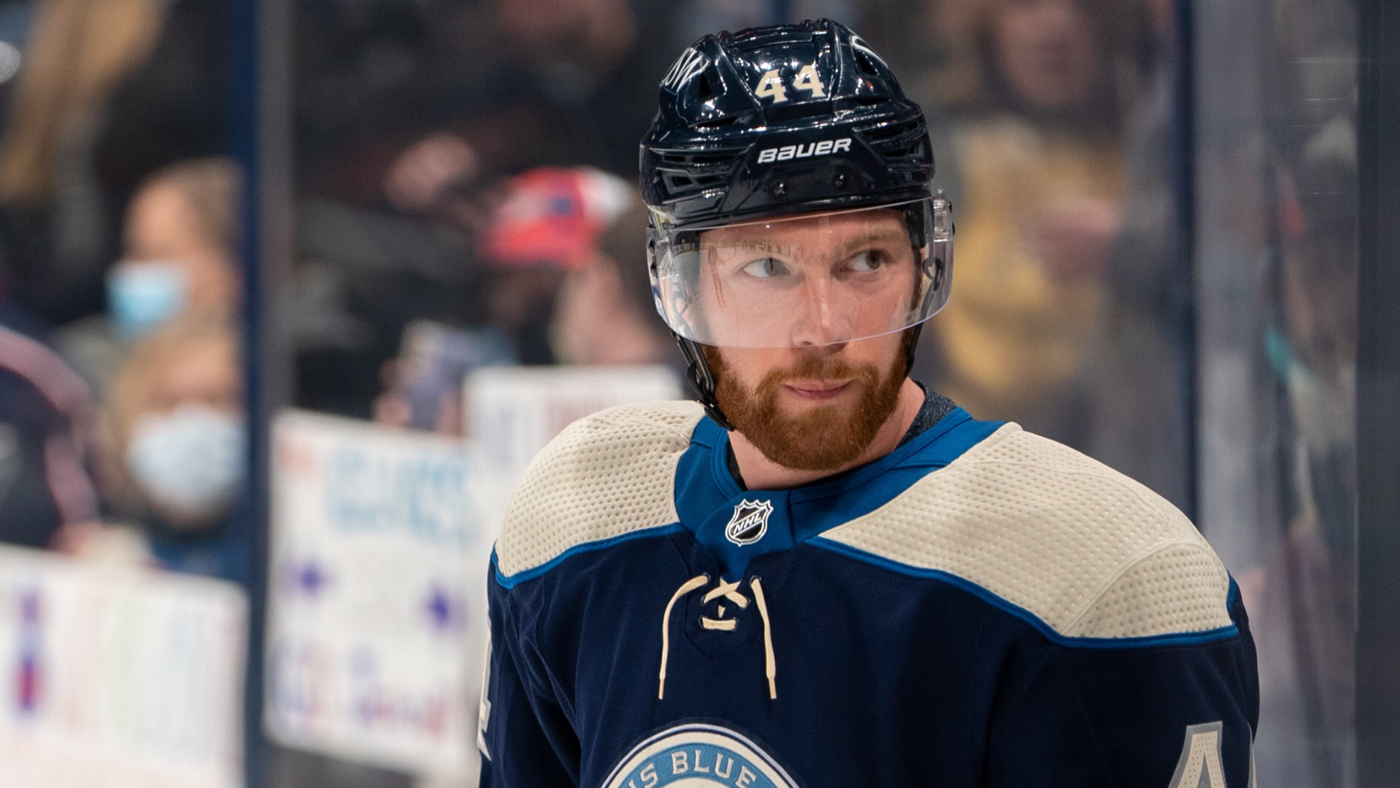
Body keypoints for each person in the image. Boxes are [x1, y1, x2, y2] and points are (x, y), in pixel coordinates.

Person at [478, 19, 1258, 788]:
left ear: (923, 267)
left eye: (866, 259)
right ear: (682, 289)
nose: (825, 328)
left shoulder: (1100, 578)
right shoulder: (573, 520)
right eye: (766, 268)